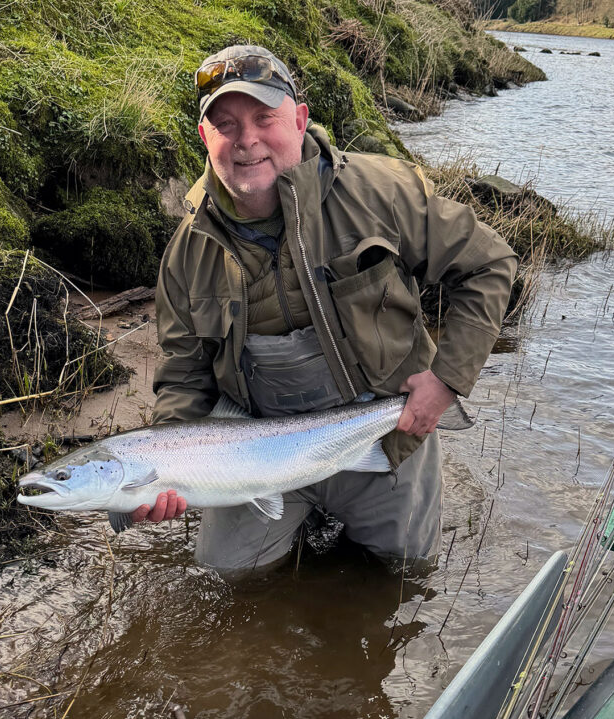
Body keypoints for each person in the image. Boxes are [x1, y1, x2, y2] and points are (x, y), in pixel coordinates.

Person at [129, 45, 517, 572]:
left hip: (386, 435)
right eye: (226, 125)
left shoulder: (380, 191)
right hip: (261, 458)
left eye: (265, 118)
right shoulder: (185, 254)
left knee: (403, 576)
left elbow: (490, 264)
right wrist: (170, 466)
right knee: (226, 574)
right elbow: (183, 376)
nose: (246, 141)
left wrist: (446, 381)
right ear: (205, 137)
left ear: (300, 118)